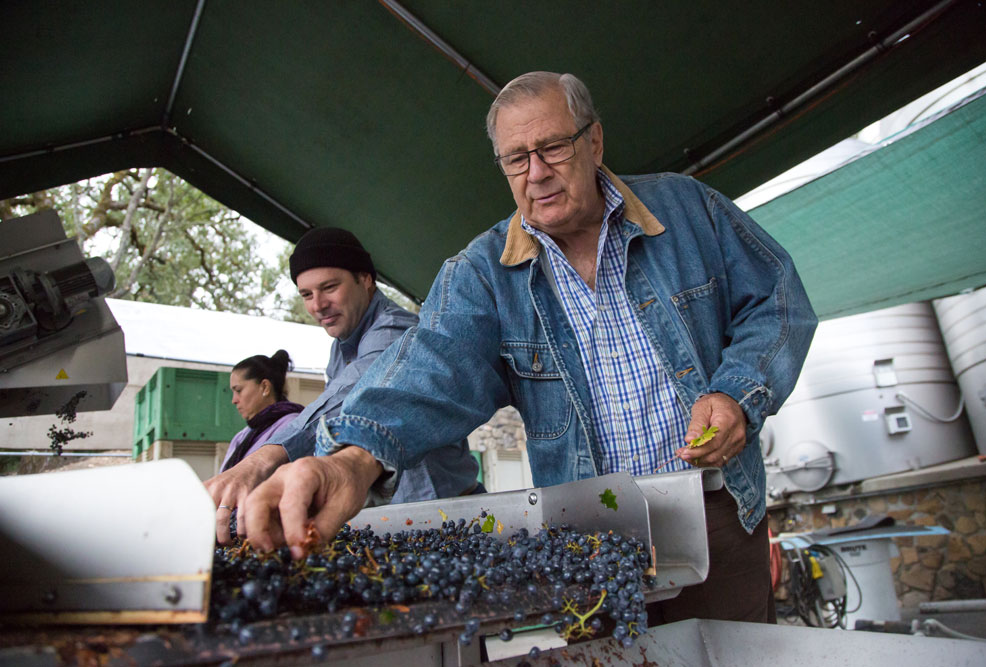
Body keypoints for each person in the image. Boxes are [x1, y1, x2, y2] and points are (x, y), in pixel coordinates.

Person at [242, 72, 817, 623]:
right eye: (516, 159)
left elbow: (779, 301)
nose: (535, 173)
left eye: (553, 148)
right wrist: (352, 460)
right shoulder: (483, 274)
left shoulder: (687, 210)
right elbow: (429, 369)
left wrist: (737, 394)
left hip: (716, 512)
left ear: (593, 140)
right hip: (588, 537)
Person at [205, 227, 481, 545]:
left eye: (329, 287)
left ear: (366, 279)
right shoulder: (340, 347)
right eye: (306, 295)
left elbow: (350, 396)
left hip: (454, 519)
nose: (318, 305)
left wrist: (263, 459)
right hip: (398, 523)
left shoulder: (395, 333)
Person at [221, 349, 303, 472]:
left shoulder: (293, 427)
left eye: (238, 390)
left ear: (265, 387)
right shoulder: (243, 435)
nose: (234, 400)